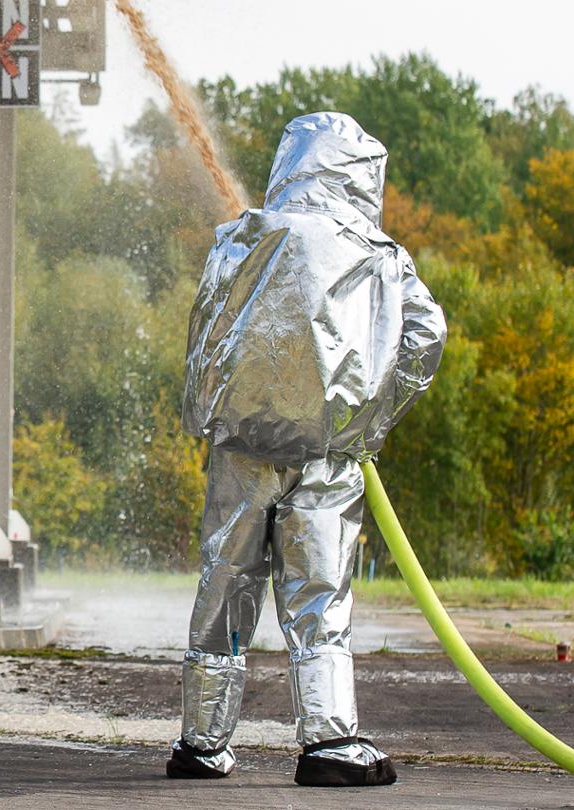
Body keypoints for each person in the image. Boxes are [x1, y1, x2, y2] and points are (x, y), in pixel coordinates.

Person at [172, 112, 445, 787]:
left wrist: (208, 416)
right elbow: (425, 335)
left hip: (240, 452)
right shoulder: (379, 255)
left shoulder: (243, 236)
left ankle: (202, 745)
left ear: (291, 164)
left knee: (224, 589)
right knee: (318, 596)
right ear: (360, 176)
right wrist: (368, 422)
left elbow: (204, 332)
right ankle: (328, 744)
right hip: (326, 457)